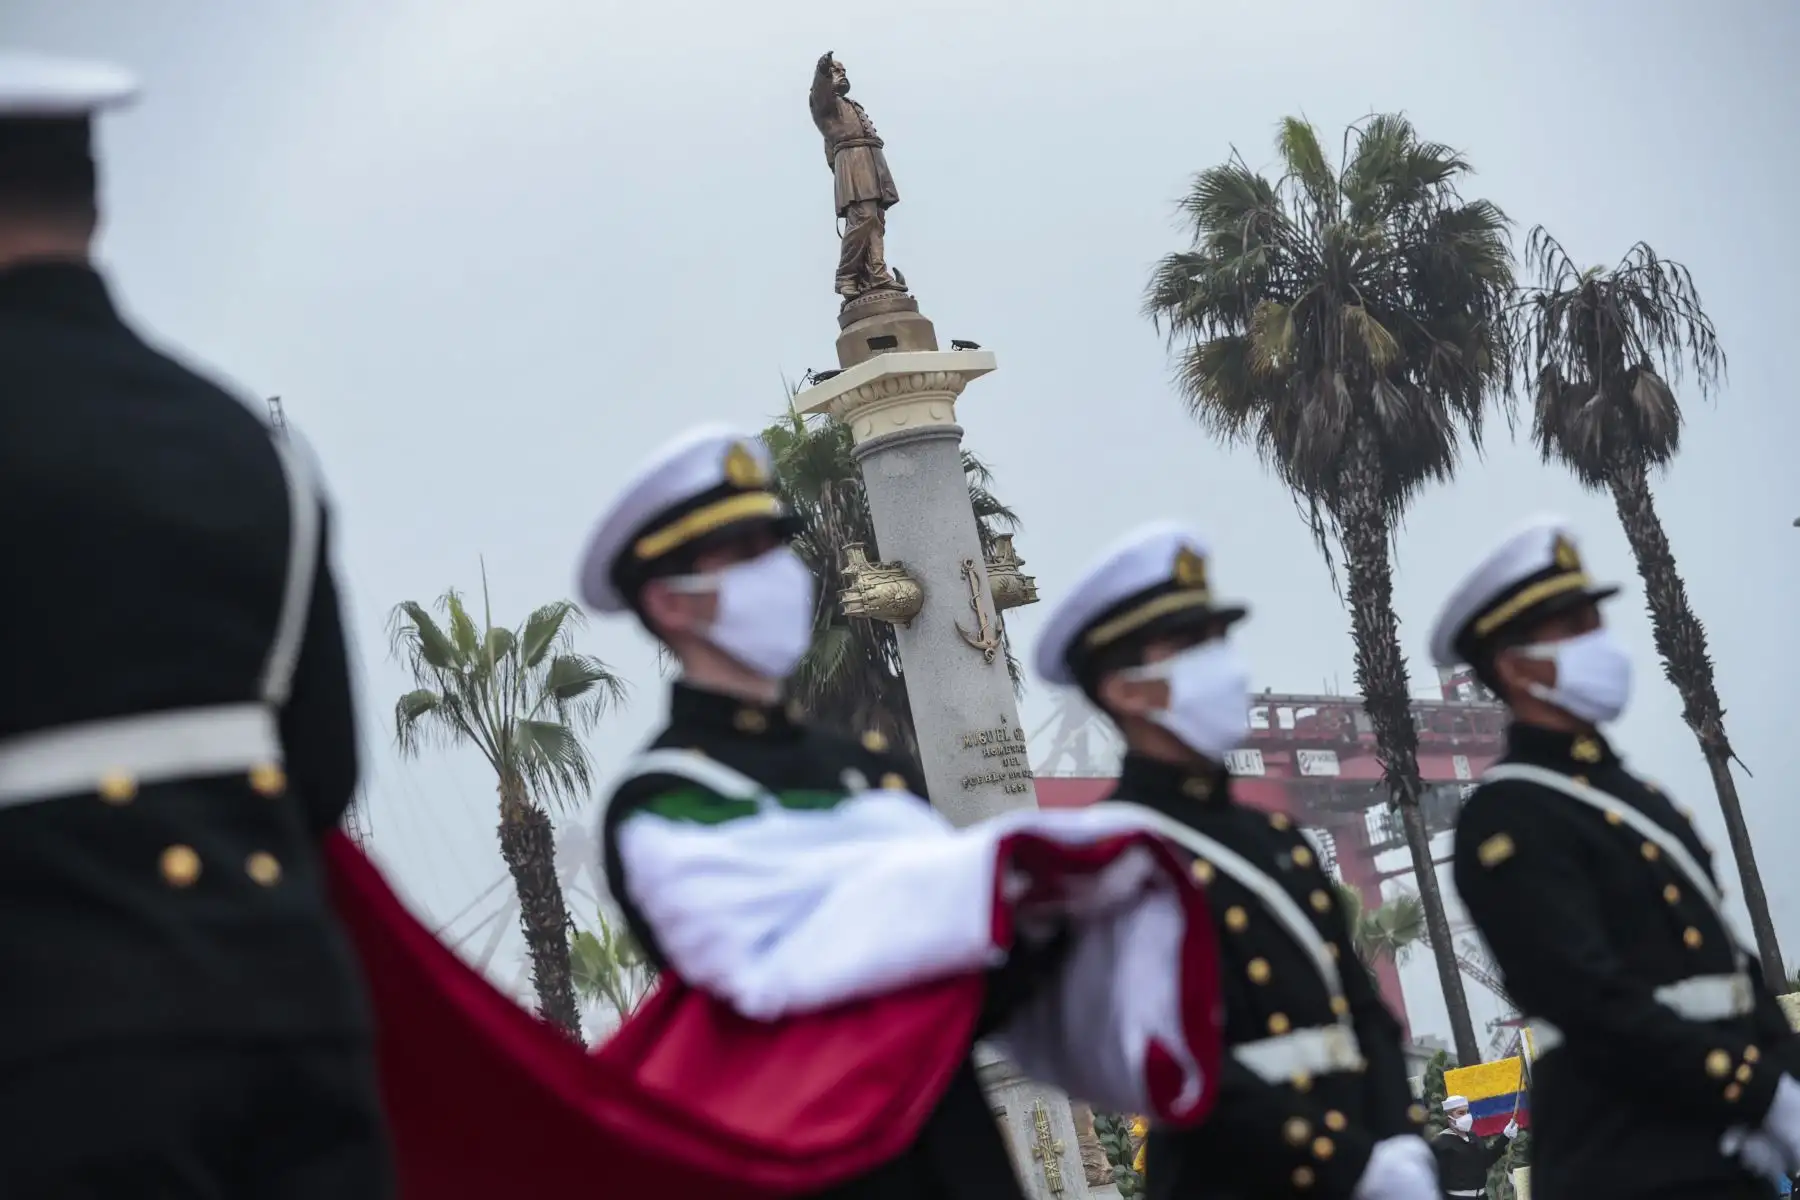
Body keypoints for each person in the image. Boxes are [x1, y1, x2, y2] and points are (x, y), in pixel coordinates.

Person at [573, 428, 1225, 1200]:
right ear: (666, 600)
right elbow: (777, 971)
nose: (779, 574)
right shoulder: (660, 801)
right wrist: (990, 884)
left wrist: (1054, 917)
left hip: (959, 1162)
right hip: (827, 1174)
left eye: (775, 546)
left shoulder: (868, 770)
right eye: (742, 555)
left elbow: (964, 986)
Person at [0, 50, 390, 1197]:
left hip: (45, 1046)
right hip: (290, 1020)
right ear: (97, 201)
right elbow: (324, 773)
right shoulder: (255, 446)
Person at [1032, 521, 1437, 1200]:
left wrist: (1399, 1138)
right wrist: (1352, 1164)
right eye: (1191, 645)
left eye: (1217, 638)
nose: (1221, 661)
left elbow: (1362, 1012)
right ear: (1126, 688)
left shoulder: (1274, 835)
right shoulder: (1114, 857)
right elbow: (1179, 1065)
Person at [1430, 516, 1800, 1200]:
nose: (1599, 641)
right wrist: (1757, 1090)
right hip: (1632, 1159)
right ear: (1513, 665)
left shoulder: (1642, 800)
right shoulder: (1506, 819)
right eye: (1572, 627)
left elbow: (1731, 968)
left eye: (1593, 619)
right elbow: (1589, 998)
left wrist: (1786, 1079)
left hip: (1724, 1145)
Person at [1429, 1095, 1517, 1199]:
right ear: (1449, 1118)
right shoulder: (1442, 1143)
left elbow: (1486, 1160)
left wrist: (1505, 1137)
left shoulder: (1473, 1137)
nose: (1466, 1116)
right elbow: (1436, 1180)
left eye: (1466, 1112)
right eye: (1460, 1113)